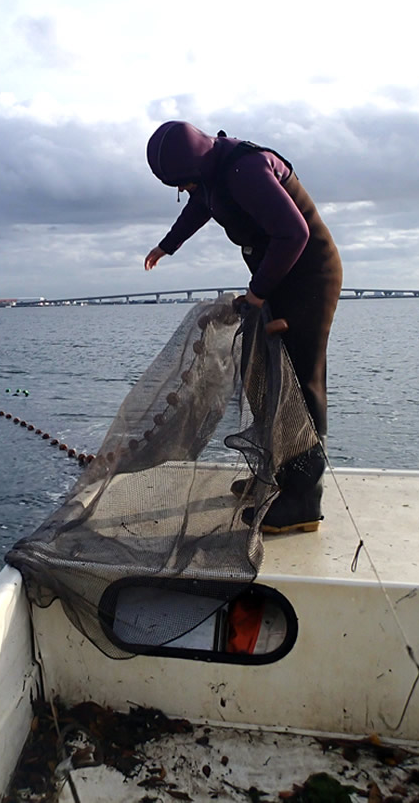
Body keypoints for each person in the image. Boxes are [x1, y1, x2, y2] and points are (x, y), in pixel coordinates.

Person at [144, 121, 342, 533]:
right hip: (277, 281)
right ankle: (277, 477)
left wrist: (256, 293)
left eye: (182, 184)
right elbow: (203, 205)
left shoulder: (246, 169)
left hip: (307, 280)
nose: (185, 191)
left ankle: (302, 500)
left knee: (300, 385)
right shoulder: (214, 174)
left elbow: (294, 232)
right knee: (264, 378)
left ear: (195, 167)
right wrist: (168, 245)